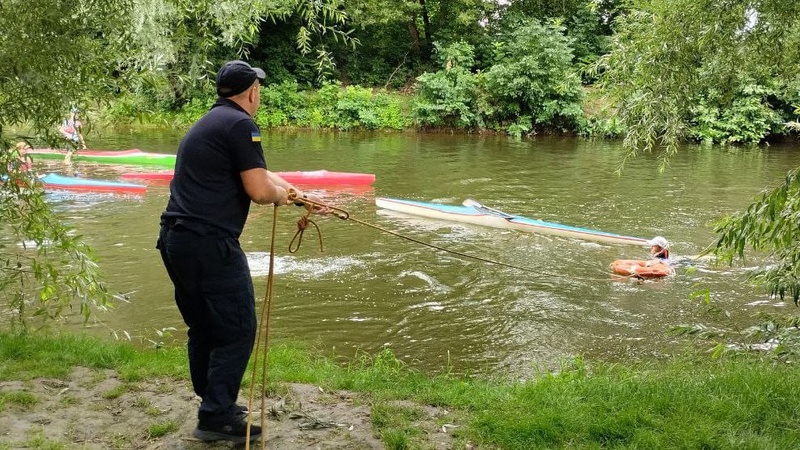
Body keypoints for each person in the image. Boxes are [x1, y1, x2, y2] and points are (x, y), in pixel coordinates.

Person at [156, 60, 325, 444]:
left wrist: (300, 195)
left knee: (204, 326)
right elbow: (262, 191)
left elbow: (261, 175)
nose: (259, 94)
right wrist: (284, 196)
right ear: (252, 92)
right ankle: (216, 416)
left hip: (176, 239)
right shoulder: (241, 124)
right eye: (259, 89)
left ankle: (214, 404)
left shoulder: (213, 122)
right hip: (208, 243)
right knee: (237, 329)